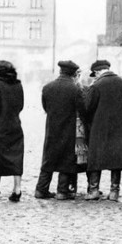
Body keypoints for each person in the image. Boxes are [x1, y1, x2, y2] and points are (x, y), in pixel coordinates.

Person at [84, 60, 122, 202]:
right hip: (120, 128)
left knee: (96, 157)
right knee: (117, 159)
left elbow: (87, 108)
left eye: (94, 75)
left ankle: (94, 190)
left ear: (97, 72)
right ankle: (114, 192)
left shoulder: (96, 85)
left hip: (100, 128)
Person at [35, 60, 85, 200]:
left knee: (49, 158)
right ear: (73, 73)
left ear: (60, 71)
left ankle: (41, 189)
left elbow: (45, 107)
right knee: (66, 159)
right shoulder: (75, 89)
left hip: (51, 127)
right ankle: (62, 191)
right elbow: (82, 109)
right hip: (69, 128)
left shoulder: (47, 87)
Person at [0, 61, 24, 202]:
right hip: (15, 124)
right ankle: (17, 188)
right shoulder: (18, 84)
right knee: (16, 156)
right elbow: (21, 105)